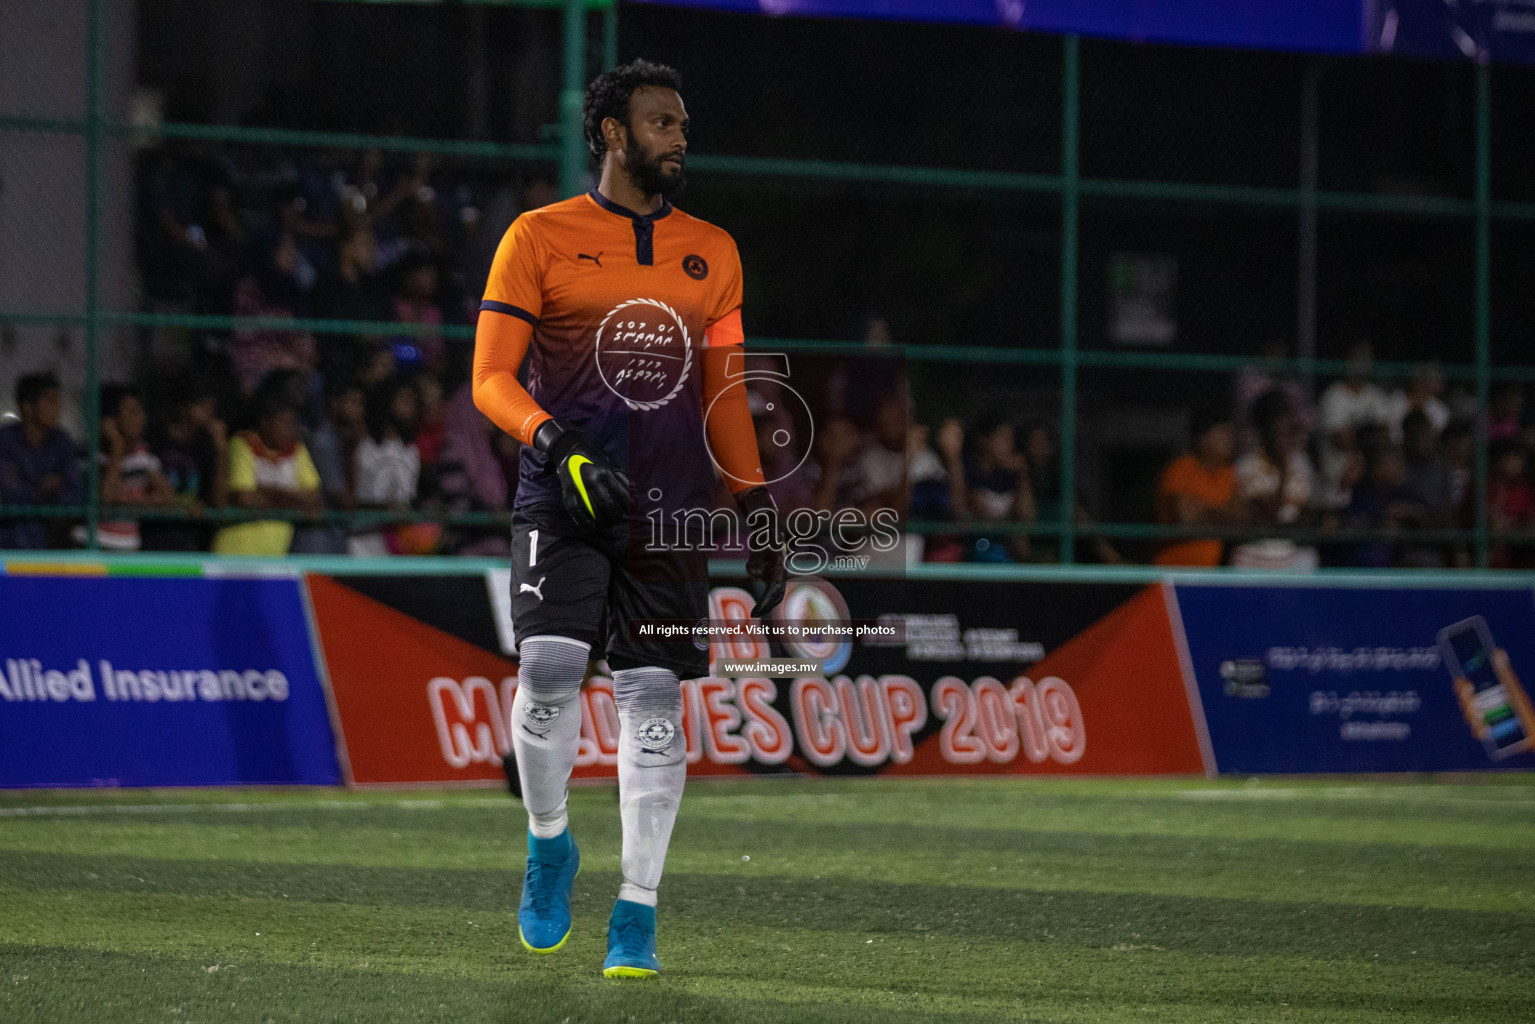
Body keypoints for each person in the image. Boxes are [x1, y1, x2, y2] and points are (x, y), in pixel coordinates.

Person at [471, 60, 784, 979]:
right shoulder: (537, 236)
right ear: (610, 133)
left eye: (682, 124)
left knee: (653, 701)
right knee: (548, 668)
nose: (678, 137)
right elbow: (490, 378)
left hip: (671, 511)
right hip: (561, 497)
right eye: (660, 123)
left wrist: (756, 509)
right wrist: (554, 441)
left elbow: (726, 393)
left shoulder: (713, 249)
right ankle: (548, 844)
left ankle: (636, 911)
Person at [211, 387, 324, 555]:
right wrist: (295, 501)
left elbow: (315, 498)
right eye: (285, 423)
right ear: (265, 423)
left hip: (275, 557)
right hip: (235, 553)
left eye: (293, 423)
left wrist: (264, 491)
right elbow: (245, 498)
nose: (292, 430)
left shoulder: (297, 450)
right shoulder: (242, 444)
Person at [1232, 389, 1318, 570]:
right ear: (1266, 429)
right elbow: (1269, 516)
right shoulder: (1247, 466)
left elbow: (1307, 513)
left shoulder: (1300, 463)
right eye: (1280, 430)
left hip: (1293, 548)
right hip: (1257, 552)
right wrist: (1284, 471)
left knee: (1308, 557)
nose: (1286, 435)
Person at [0, 372, 83, 549]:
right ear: (27, 407)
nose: (58, 408)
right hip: (9, 537)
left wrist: (34, 491)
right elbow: (10, 494)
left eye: (59, 402)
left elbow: (74, 493)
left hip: (52, 537)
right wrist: (43, 490)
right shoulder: (6, 440)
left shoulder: (62, 442)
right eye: (51, 401)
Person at [145, 377, 229, 551]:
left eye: (211, 407)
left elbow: (219, 502)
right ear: (184, 408)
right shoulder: (155, 437)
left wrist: (221, 449)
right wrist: (178, 505)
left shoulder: (207, 444)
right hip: (154, 535)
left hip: (191, 539)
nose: (209, 414)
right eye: (202, 406)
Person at [1155, 407, 1241, 567]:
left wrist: (1203, 510)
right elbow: (1186, 519)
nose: (1230, 440)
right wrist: (1221, 515)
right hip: (1175, 573)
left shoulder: (1230, 474)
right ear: (1203, 437)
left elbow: (1239, 520)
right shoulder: (1180, 469)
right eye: (1223, 433)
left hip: (1213, 574)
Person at [96, 385, 175, 551]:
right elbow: (108, 496)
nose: (141, 418)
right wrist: (117, 446)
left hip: (128, 548)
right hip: (96, 547)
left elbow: (167, 497)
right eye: (132, 412)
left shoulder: (142, 456)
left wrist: (130, 502)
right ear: (111, 420)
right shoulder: (95, 457)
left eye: (140, 412)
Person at [1318, 342, 1391, 510]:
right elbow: (1340, 440)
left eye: (1366, 359)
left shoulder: (1377, 396)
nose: (1362, 364)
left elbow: (1385, 437)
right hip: (1337, 477)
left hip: (1372, 477)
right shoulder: (1333, 396)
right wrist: (1370, 438)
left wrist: (1359, 438)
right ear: (1347, 361)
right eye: (1357, 359)